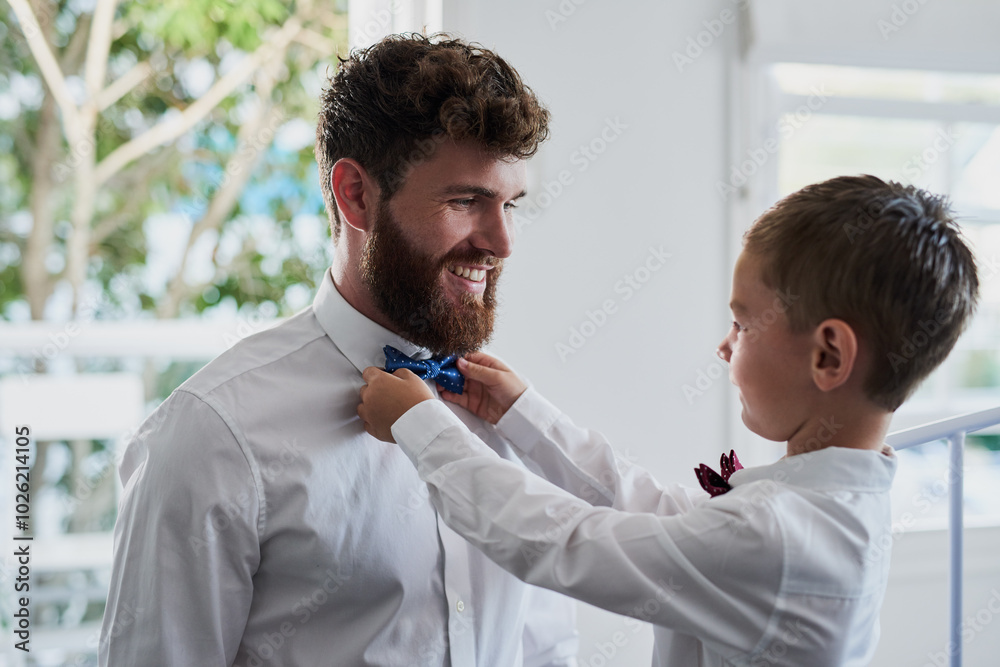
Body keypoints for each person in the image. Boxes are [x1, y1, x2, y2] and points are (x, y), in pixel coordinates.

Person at [357, 175, 981, 666]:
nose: (725, 345)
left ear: (828, 356)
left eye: (742, 322)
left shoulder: (784, 540)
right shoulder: (825, 507)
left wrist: (424, 430)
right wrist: (523, 415)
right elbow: (656, 511)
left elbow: (562, 543)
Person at [100, 33, 580, 666]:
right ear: (356, 195)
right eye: (466, 201)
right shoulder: (214, 435)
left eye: (511, 204)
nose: (502, 243)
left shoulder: (509, 414)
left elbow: (548, 649)